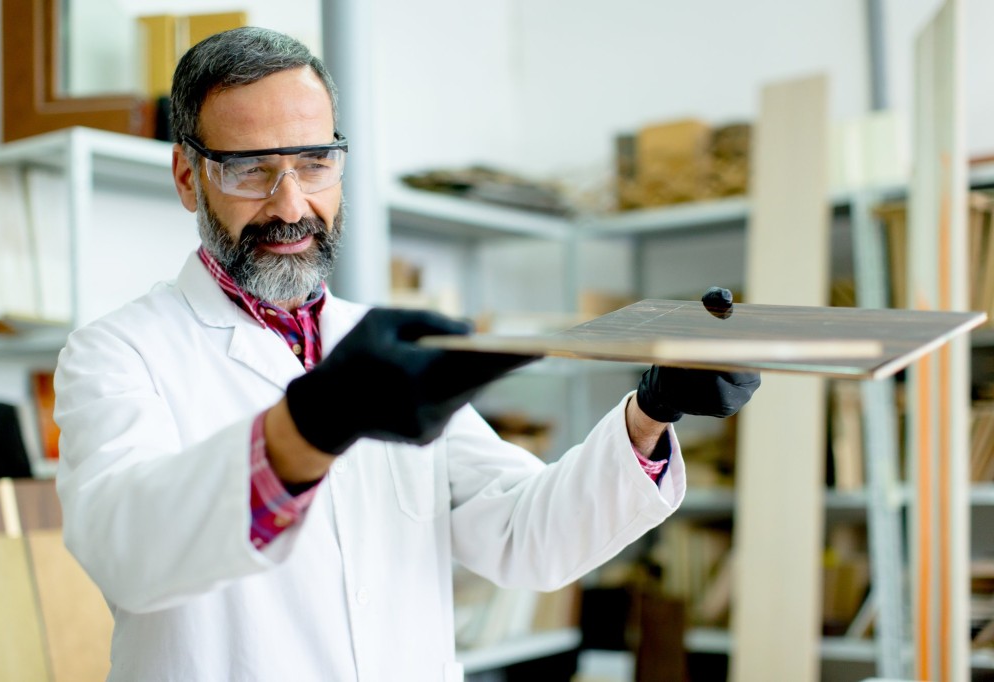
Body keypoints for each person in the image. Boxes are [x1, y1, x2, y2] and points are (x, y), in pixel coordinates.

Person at [53, 26, 759, 682]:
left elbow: (527, 535)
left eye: (314, 163)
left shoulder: (380, 344)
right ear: (186, 177)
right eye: (250, 170)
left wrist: (651, 412)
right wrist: (309, 428)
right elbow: (130, 554)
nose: (291, 204)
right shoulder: (117, 355)